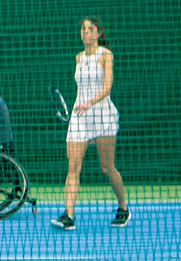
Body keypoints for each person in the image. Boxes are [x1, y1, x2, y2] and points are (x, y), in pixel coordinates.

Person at [54, 16, 127, 230]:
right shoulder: (78, 58)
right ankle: (68, 215)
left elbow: (107, 87)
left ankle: (123, 207)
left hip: (102, 114)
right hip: (80, 116)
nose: (85, 32)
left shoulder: (106, 55)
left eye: (90, 29)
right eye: (83, 29)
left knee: (107, 167)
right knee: (73, 166)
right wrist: (82, 106)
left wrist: (90, 103)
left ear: (97, 33)